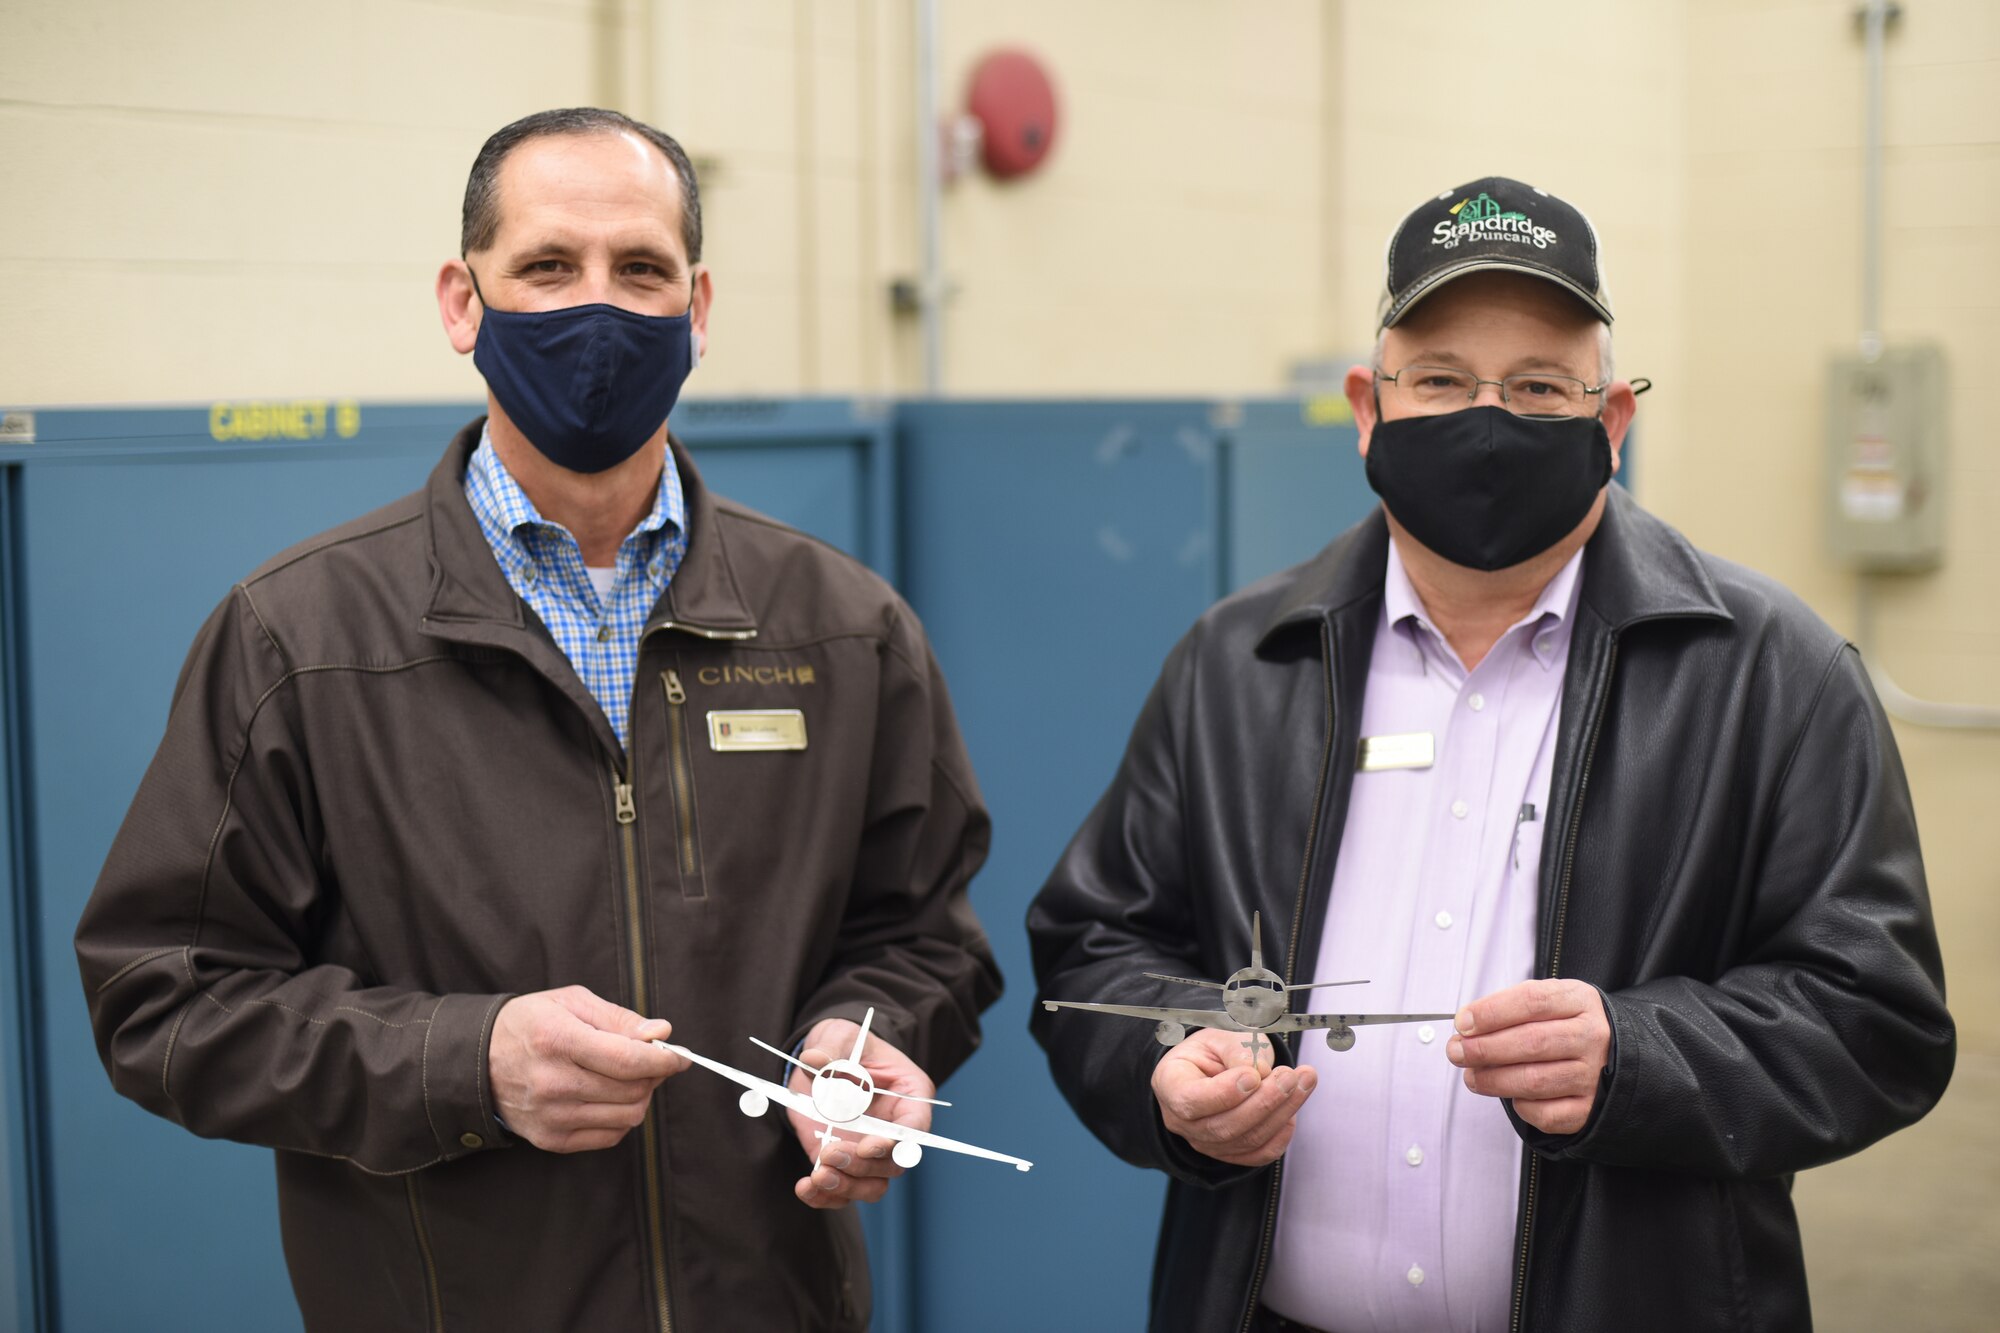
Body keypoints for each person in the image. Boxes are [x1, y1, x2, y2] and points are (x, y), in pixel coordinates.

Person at [76, 107, 1000, 1333]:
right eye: (548, 268)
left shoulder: (841, 631)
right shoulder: (299, 639)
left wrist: (863, 1038)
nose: (598, 313)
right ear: (463, 304)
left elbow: (923, 934)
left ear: (699, 307)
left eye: (641, 271)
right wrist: (467, 1063)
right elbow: (163, 999)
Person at [1027, 176, 1953, 1332]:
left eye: (1536, 387)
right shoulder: (1237, 664)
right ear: (1368, 407)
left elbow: (1880, 1020)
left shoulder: (1772, 675)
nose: (1486, 417)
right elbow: (1093, 946)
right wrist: (1169, 1063)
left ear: (1609, 423)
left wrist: (1637, 1055)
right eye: (1442, 381)